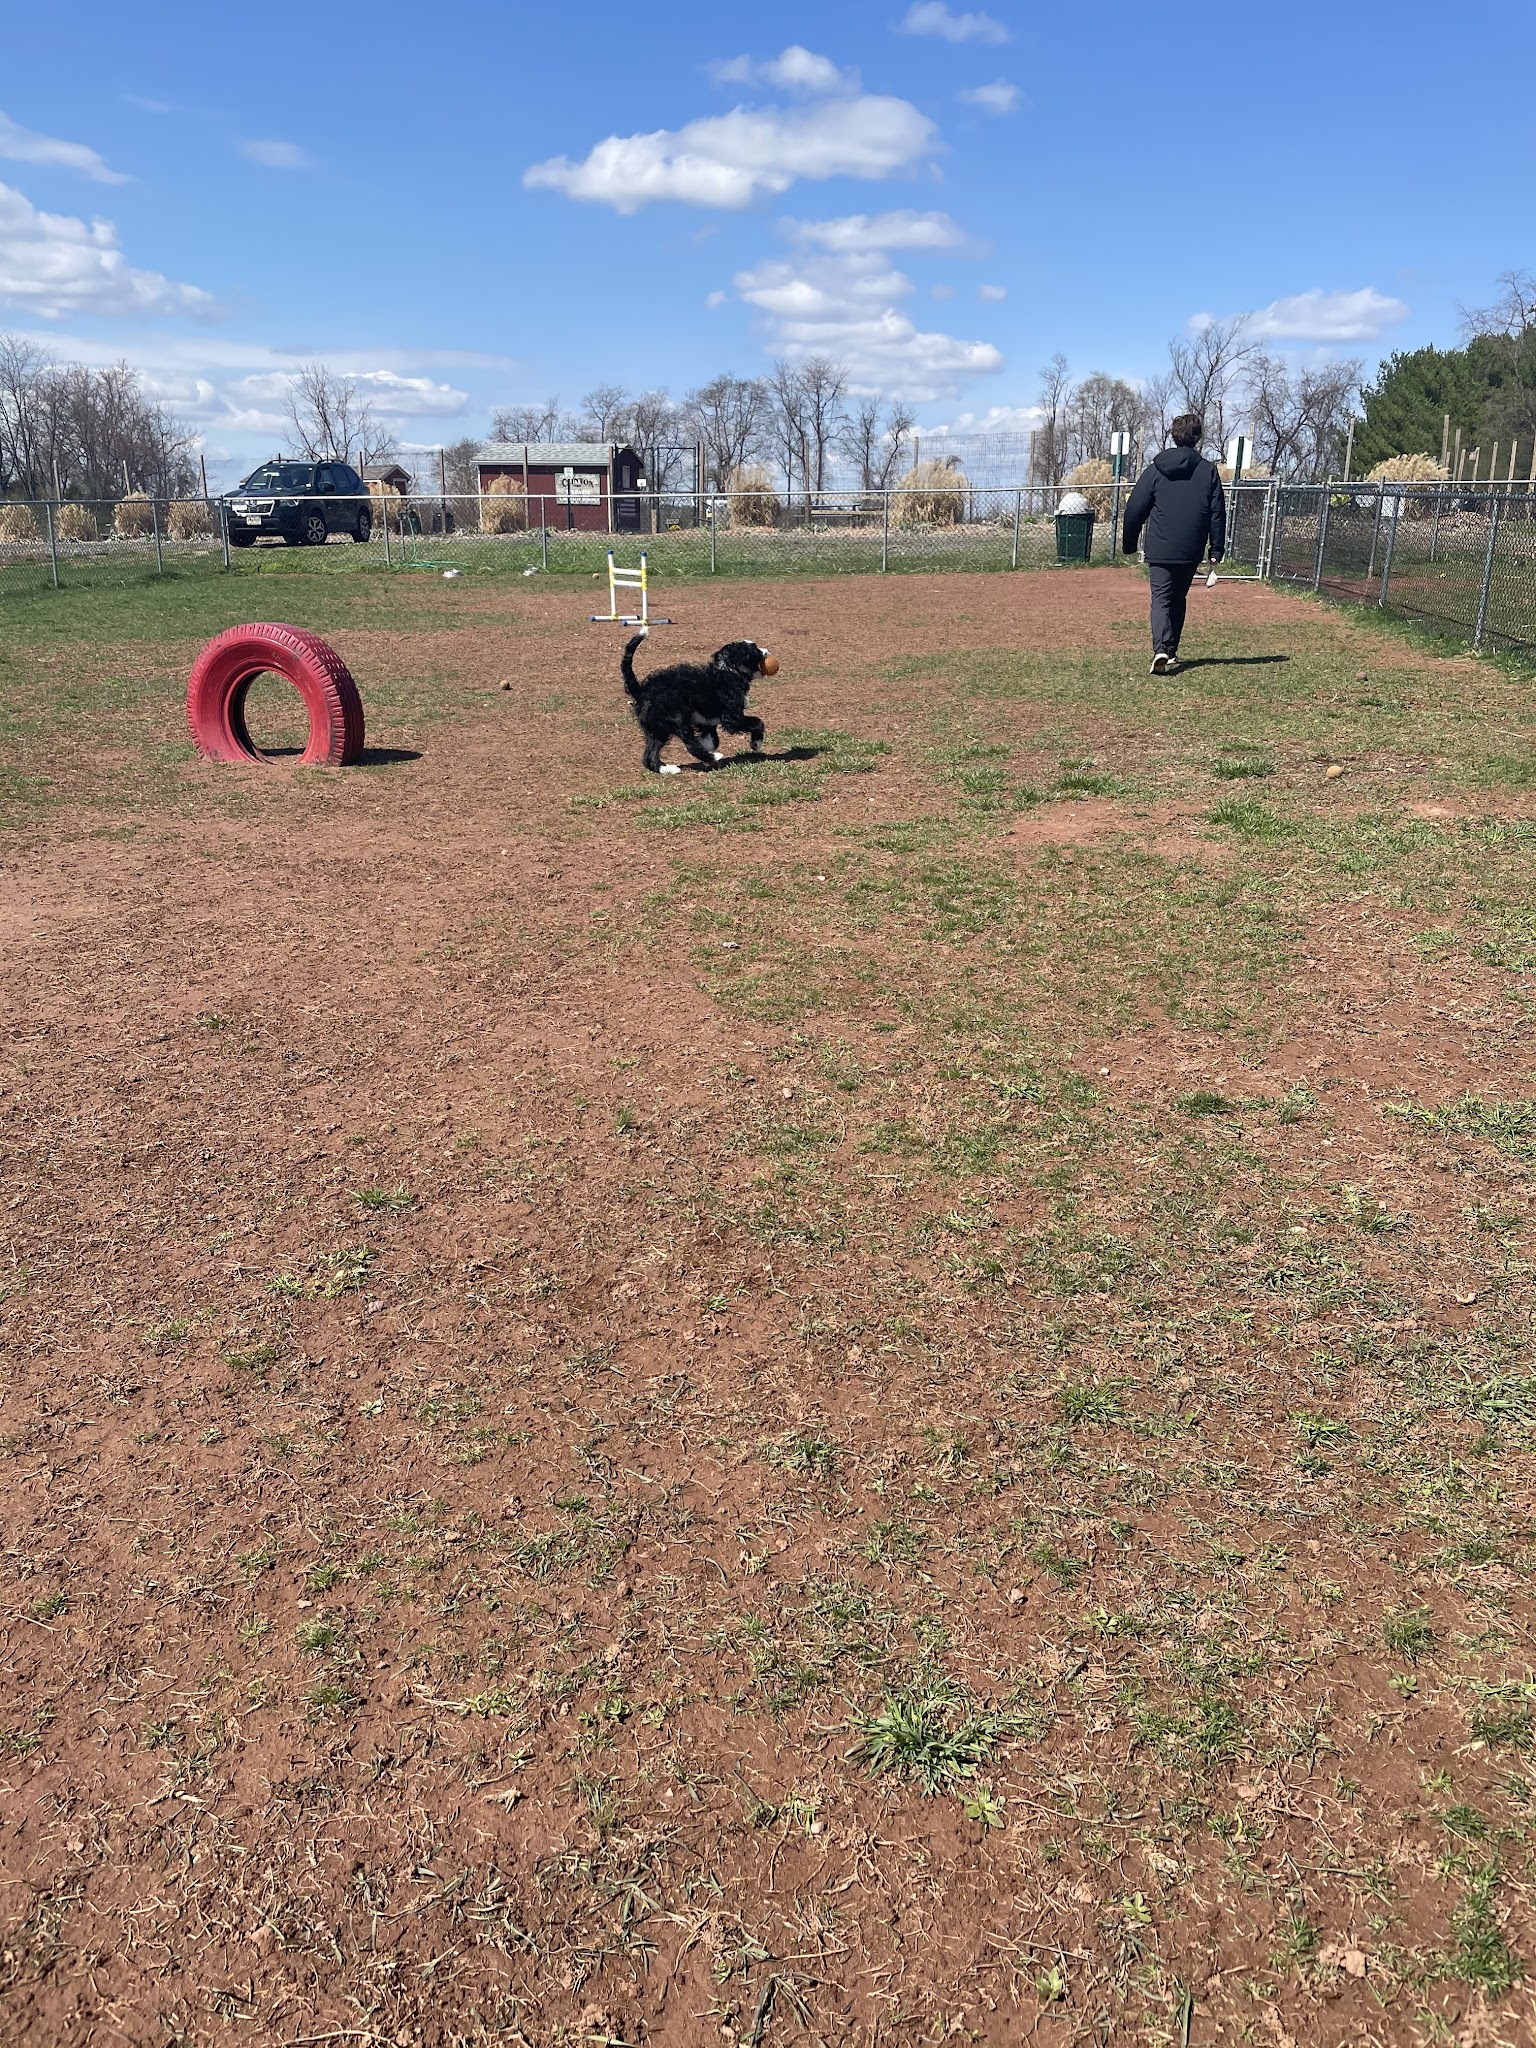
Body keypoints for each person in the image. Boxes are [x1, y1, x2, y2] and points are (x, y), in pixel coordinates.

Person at [1121, 414, 1226, 675]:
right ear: (1198, 437)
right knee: (1178, 598)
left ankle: (1161, 648)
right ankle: (1170, 649)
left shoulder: (1156, 469)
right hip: (1191, 547)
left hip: (1160, 546)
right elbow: (1217, 513)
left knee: (1161, 598)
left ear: (1173, 435)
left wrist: (1129, 542)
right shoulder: (1208, 471)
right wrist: (1216, 549)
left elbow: (1135, 508)